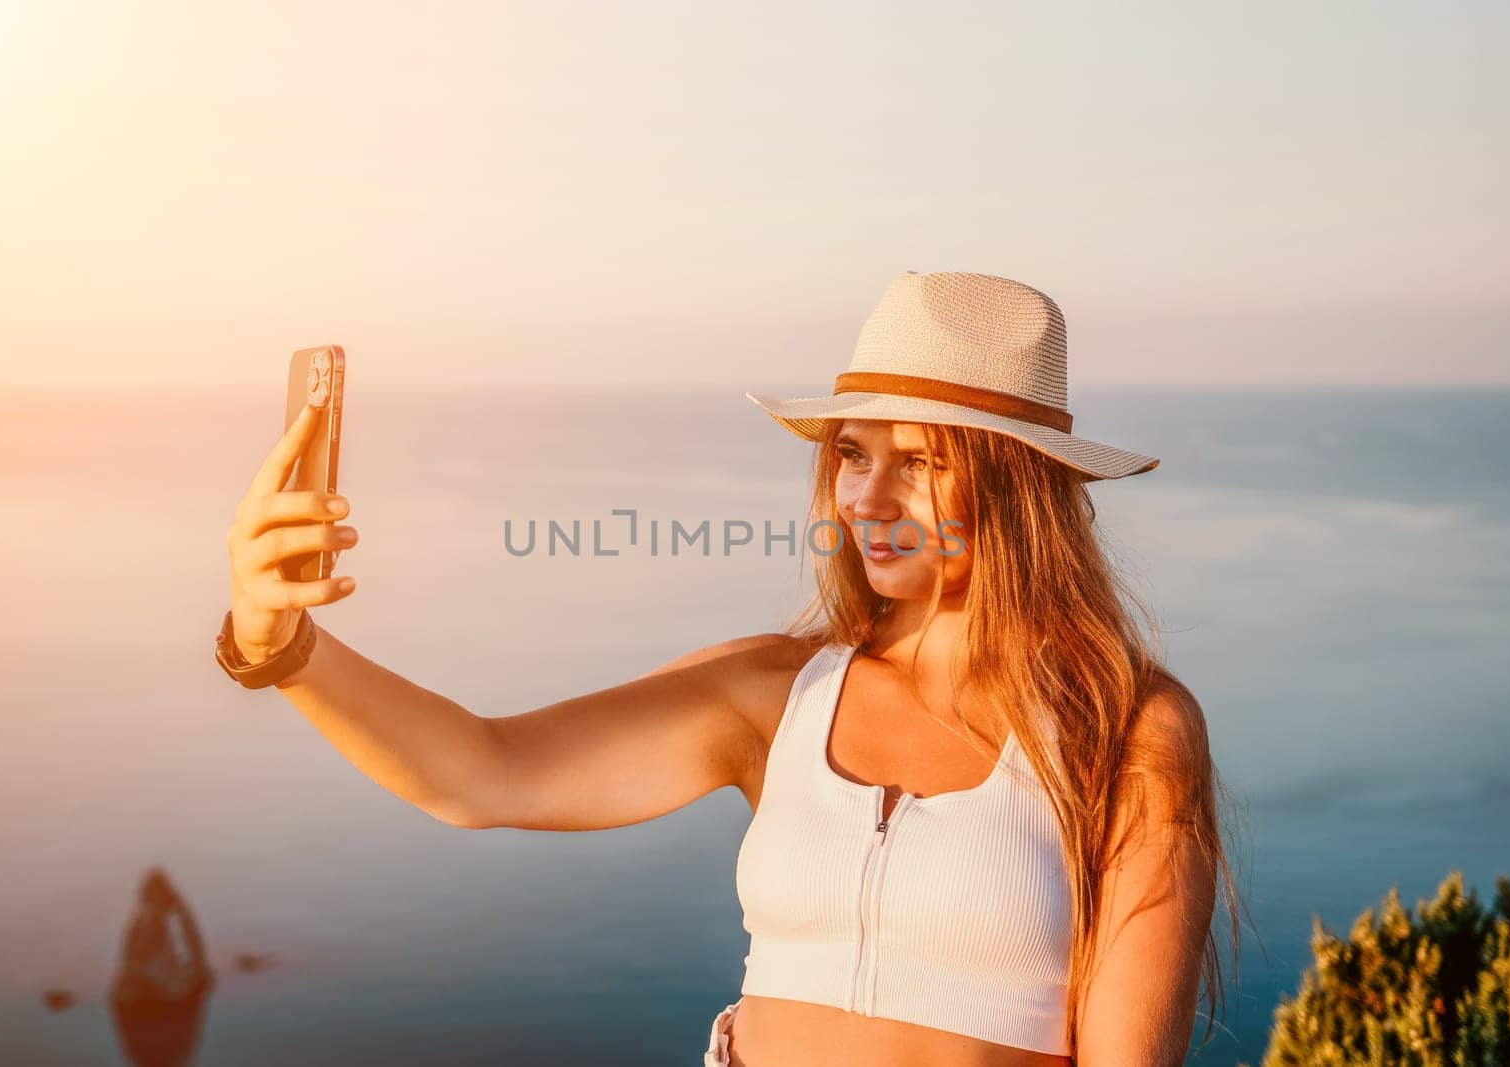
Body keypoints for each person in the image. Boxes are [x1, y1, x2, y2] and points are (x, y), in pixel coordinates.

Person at [217, 271, 1241, 1066]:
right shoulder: (773, 691)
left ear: (1020, 485)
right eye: (851, 452)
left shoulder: (1127, 724)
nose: (867, 497)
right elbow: (481, 771)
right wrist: (278, 644)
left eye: (921, 460)